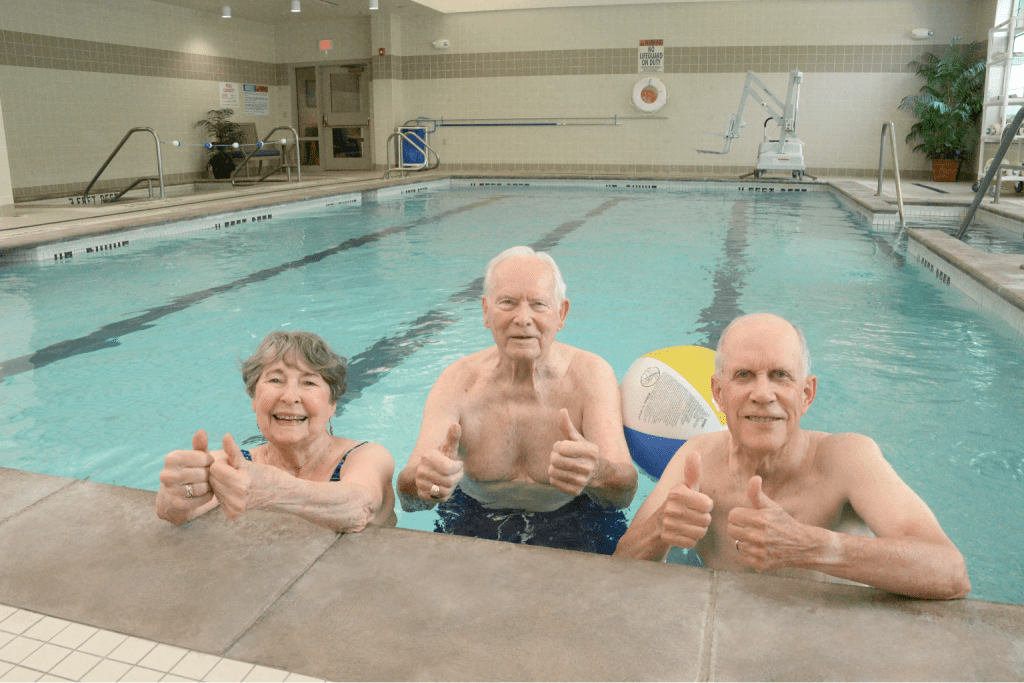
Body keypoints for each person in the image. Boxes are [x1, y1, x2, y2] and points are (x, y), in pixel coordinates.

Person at [614, 313, 971, 600]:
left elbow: (951, 572)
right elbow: (618, 568)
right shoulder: (697, 457)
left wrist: (811, 546)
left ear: (807, 394)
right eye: (744, 375)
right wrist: (661, 528)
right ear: (718, 393)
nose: (763, 393)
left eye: (780, 376)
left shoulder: (847, 458)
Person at [397, 246, 638, 554]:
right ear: (486, 311)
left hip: (577, 516)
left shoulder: (591, 375)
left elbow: (624, 495)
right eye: (507, 303)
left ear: (561, 314)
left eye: (538, 304)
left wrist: (598, 473)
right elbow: (408, 498)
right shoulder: (457, 381)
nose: (523, 319)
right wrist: (424, 482)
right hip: (473, 514)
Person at [156, 331, 397, 532]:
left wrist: (274, 490)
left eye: (309, 382)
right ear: (254, 398)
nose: (290, 397)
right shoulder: (239, 466)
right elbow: (172, 513)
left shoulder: (367, 456)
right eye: (275, 380)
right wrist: (179, 491)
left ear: (332, 404)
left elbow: (358, 506)